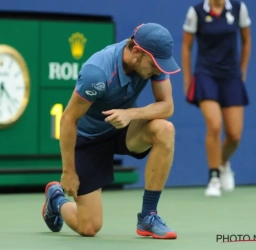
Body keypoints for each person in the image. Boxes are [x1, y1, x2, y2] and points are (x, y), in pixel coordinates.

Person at [41, 23, 181, 238]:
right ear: (136, 51)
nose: (158, 69)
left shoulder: (152, 65)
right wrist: (68, 172)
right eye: (154, 64)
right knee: (89, 227)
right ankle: (56, 199)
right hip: (89, 139)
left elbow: (167, 106)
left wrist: (130, 114)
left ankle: (148, 216)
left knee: (164, 129)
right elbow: (68, 119)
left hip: (122, 127)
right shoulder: (97, 73)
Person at [182, 0, 251, 197]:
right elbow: (186, 47)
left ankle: (223, 163)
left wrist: (242, 71)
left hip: (231, 77)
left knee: (234, 135)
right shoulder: (196, 11)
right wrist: (188, 81)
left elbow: (246, 40)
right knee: (214, 125)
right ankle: (213, 178)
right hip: (206, 75)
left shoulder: (239, 9)